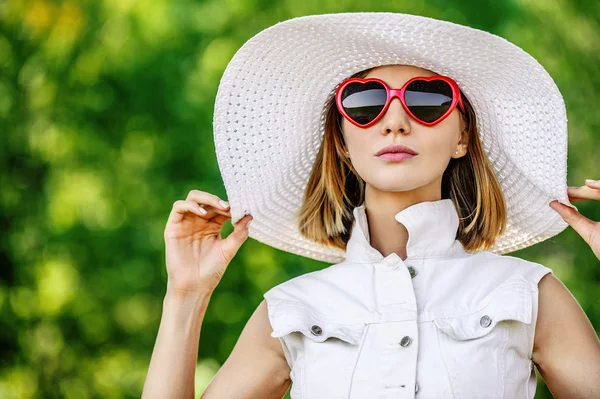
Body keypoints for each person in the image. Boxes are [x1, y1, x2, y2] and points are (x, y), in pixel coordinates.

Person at [142, 12, 600, 398]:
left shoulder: (528, 293)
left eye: (428, 100)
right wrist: (186, 295)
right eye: (364, 104)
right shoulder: (291, 310)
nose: (395, 121)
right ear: (341, 142)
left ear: (462, 136)